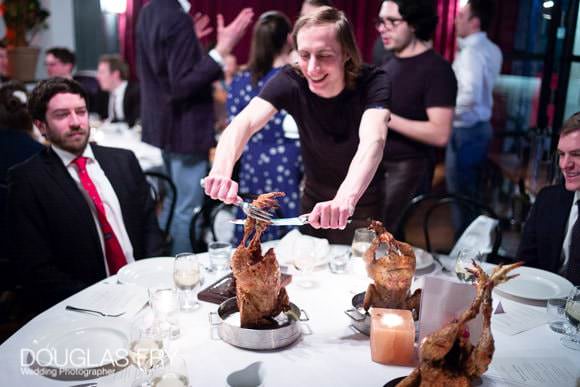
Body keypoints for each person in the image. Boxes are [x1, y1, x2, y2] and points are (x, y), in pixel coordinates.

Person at [204, 6, 391, 244]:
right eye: (304, 55)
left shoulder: (373, 81)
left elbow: (373, 140)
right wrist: (221, 170)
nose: (312, 68)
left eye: (324, 55)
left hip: (362, 201)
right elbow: (245, 121)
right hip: (312, 199)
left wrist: (345, 200)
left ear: (346, 53)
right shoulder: (291, 79)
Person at [6, 78, 164, 310]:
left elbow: (150, 227)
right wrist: (101, 300)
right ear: (41, 126)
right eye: (62, 115)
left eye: (80, 112)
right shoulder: (27, 180)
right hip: (84, 303)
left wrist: (151, 276)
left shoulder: (123, 160)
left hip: (145, 290)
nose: (75, 122)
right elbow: (35, 267)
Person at [136, 0, 253, 255]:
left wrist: (193, 49)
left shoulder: (151, 10)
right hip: (184, 131)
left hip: (166, 128)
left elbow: (166, 70)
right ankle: (184, 275)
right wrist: (221, 50)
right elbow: (180, 85)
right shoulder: (176, 17)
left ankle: (163, 263)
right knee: (187, 211)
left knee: (174, 204)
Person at [377, 0, 457, 230]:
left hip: (408, 167)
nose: (383, 28)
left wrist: (385, 116)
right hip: (381, 162)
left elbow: (440, 133)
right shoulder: (388, 63)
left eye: (392, 21)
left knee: (381, 235)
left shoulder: (437, 70)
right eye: (381, 21)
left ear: (413, 23)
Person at [228, 11, 303, 243]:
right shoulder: (294, 77)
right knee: (288, 230)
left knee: (254, 226)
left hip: (252, 161)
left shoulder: (241, 80)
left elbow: (234, 123)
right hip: (287, 161)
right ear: (289, 39)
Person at [446, 0, 502, 227]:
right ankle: (471, 250)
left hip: (466, 131)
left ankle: (463, 253)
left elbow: (469, 96)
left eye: (461, 16)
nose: (455, 20)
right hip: (480, 129)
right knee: (472, 196)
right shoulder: (493, 48)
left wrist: (445, 114)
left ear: (475, 22)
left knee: (461, 197)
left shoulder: (471, 52)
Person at [518, 113, 580, 285]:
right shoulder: (548, 199)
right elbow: (524, 267)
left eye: (576, 154)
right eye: (561, 154)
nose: (565, 165)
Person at [96, 54, 140, 127]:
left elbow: (136, 122)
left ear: (115, 74)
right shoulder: (103, 94)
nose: (98, 77)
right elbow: (100, 118)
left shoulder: (136, 93)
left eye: (102, 72)